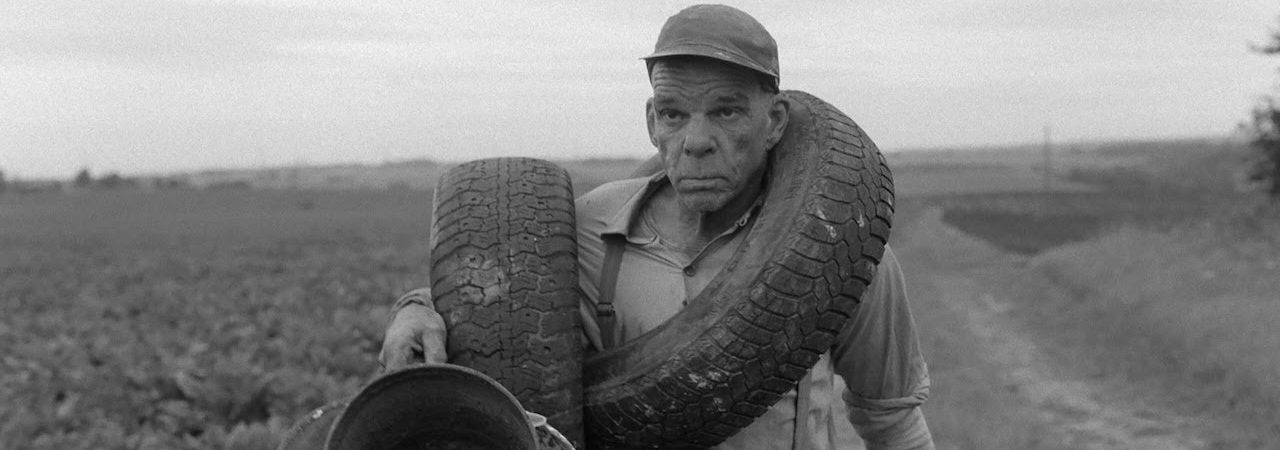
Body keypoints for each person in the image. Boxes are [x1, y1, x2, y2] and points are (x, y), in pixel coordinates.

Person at [380, 4, 934, 449]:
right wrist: (416, 309)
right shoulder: (588, 231)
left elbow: (892, 420)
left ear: (775, 122)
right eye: (674, 114)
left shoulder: (836, 249)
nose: (696, 142)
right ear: (652, 122)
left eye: (726, 112)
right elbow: (498, 299)